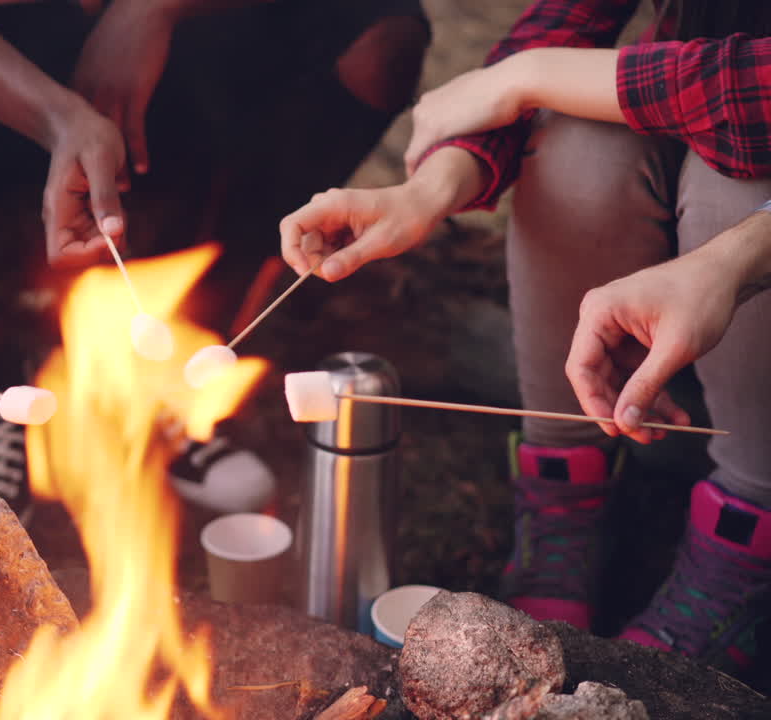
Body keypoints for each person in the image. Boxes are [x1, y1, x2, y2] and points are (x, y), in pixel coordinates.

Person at [0, 0, 429, 520]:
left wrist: (150, 7)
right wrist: (56, 116)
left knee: (375, 27)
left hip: (161, 52)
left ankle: (180, 358)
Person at [279, 0, 771, 681]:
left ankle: (745, 543)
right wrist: (429, 190)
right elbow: (563, 23)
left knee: (736, 185)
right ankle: (564, 501)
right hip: (695, 110)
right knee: (580, 147)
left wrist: (733, 261)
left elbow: (754, 91)